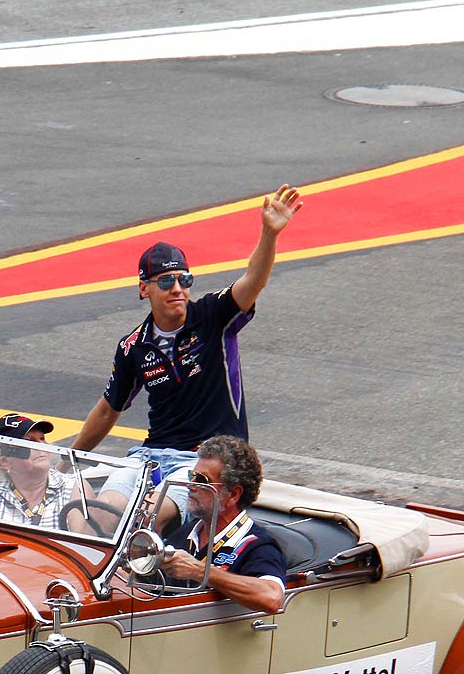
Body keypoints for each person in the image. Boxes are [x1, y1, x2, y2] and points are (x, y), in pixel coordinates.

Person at [72, 183, 303, 533]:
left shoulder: (213, 316)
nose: (177, 288)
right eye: (166, 282)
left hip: (204, 459)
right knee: (101, 515)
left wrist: (269, 234)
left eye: (184, 279)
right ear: (143, 289)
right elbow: (108, 410)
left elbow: (254, 280)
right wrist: (69, 461)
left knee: (148, 516)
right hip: (150, 456)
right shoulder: (133, 346)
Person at [159, 436, 285, 613]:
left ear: (233, 494)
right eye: (191, 476)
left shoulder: (257, 545)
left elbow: (271, 598)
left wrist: (199, 571)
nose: (190, 485)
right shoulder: (185, 534)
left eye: (202, 480)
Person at [0, 413, 106, 533]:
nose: (41, 446)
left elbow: (87, 550)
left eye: (41, 439)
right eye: (29, 442)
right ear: (4, 461)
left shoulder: (74, 489)